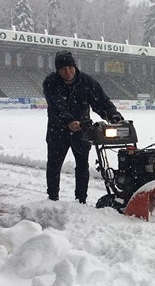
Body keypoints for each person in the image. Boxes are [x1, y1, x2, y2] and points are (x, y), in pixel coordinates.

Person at [43, 50, 124, 203]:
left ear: (75, 66)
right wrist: (69, 121)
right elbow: (56, 106)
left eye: (70, 67)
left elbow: (101, 101)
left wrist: (112, 115)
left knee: (82, 166)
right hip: (57, 130)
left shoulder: (86, 82)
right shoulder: (51, 82)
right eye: (63, 69)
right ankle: (52, 198)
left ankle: (81, 200)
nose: (68, 72)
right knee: (54, 166)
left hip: (82, 131)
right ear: (58, 71)